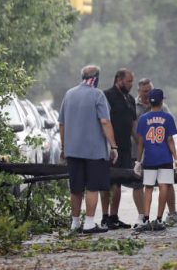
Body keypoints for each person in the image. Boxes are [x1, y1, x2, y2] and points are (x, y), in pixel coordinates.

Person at [58, 65, 118, 234]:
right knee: (92, 187)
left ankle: (75, 223)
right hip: (94, 151)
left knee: (75, 188)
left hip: (73, 150)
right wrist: (113, 146)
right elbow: (105, 122)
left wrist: (64, 146)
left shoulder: (69, 94)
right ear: (96, 77)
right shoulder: (97, 94)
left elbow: (62, 123)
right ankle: (90, 223)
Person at [136, 78, 177, 225]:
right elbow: (170, 140)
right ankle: (159, 219)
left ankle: (146, 218)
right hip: (165, 158)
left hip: (149, 158)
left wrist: (138, 161)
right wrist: (176, 159)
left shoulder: (143, 118)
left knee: (148, 188)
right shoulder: (167, 117)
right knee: (164, 186)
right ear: (162, 102)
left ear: (149, 101)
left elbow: (141, 142)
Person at [99, 69, 137, 229]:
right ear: (119, 80)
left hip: (125, 146)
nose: (131, 85)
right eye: (128, 81)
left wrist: (140, 143)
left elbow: (134, 123)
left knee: (119, 182)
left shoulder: (130, 99)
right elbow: (103, 121)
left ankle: (114, 217)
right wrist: (109, 144)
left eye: (132, 82)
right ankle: (105, 216)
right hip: (110, 146)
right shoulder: (106, 96)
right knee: (107, 182)